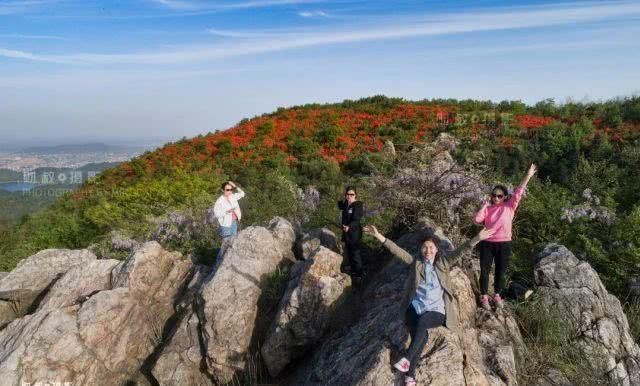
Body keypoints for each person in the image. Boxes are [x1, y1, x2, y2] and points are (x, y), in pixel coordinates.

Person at [364, 225, 494, 386]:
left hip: (436, 311)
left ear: (436, 249)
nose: (428, 250)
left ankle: (406, 359)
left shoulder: (443, 263)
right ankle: (410, 377)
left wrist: (478, 238)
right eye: (425, 247)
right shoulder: (416, 263)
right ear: (420, 249)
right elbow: (397, 251)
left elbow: (461, 250)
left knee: (423, 322)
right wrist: (378, 236)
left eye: (431, 247)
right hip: (415, 307)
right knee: (420, 337)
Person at [473, 164, 537, 310]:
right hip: (487, 243)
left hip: (504, 244)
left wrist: (528, 176)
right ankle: (484, 296)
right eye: (494, 195)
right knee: (484, 270)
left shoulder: (509, 207)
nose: (496, 198)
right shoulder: (488, 209)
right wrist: (484, 205)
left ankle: (497, 295)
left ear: (505, 197)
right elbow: (477, 220)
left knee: (500, 272)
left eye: (499, 196)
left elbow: (519, 191)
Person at [337, 186, 364, 277]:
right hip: (346, 233)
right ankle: (353, 270)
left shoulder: (358, 205)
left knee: (355, 253)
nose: (350, 196)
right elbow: (340, 206)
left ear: (355, 195)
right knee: (349, 251)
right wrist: (340, 197)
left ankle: (359, 273)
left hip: (354, 233)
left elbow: (356, 220)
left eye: (352, 194)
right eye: (348, 194)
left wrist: (349, 227)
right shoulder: (346, 203)